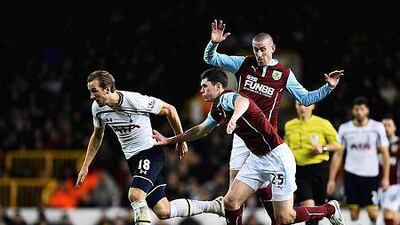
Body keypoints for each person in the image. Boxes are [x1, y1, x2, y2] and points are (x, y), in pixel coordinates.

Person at [153, 68, 345, 225]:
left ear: (218, 86)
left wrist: (234, 119)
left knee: (285, 218)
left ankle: (329, 209)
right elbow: (200, 130)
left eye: (205, 86)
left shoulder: (227, 98)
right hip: (257, 158)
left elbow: (243, 101)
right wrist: (171, 140)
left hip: (277, 157)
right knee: (230, 201)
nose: (201, 90)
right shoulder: (217, 108)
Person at [203, 19, 344, 224]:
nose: (259, 55)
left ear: (273, 48)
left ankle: (322, 211)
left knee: (282, 215)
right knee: (232, 200)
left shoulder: (284, 74)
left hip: (267, 140)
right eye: (255, 50)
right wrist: (214, 43)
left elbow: (305, 98)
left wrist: (328, 87)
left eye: (262, 50)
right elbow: (211, 58)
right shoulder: (244, 63)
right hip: (242, 137)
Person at [75, 71, 224, 225]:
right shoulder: (97, 108)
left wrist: (180, 139)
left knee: (135, 195)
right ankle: (214, 205)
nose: (91, 96)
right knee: (163, 211)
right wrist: (86, 166)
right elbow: (97, 135)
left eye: (94, 91)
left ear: (107, 89)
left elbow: (170, 110)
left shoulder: (135, 100)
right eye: (90, 91)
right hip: (133, 160)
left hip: (150, 153)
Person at [329, 96, 391, 225]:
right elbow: (338, 154)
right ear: (353, 111)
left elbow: (385, 153)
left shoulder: (377, 127)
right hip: (351, 174)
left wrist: (386, 177)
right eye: (357, 109)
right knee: (353, 214)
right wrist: (332, 179)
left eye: (362, 109)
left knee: (373, 212)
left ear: (367, 110)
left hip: (371, 175)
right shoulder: (345, 129)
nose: (359, 112)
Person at [284, 101, 342, 225]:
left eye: (306, 104)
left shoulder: (323, 123)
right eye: (299, 104)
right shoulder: (289, 125)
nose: (302, 108)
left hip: (319, 169)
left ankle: (329, 210)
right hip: (300, 171)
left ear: (313, 106)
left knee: (318, 210)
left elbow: (337, 145)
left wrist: (323, 148)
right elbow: (286, 147)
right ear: (295, 106)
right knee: (308, 206)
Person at [380, 116, 400, 225]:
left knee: (388, 215)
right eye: (384, 126)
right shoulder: (378, 144)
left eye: (389, 126)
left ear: (394, 128)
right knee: (386, 217)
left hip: (394, 185)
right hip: (378, 186)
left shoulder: (398, 143)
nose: (386, 128)